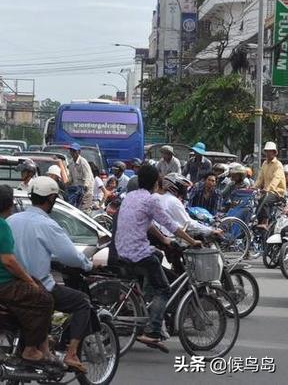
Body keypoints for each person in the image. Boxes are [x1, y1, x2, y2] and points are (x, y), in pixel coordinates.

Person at [8, 176, 92, 372]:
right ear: (52, 199)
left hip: (11, 285)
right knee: (82, 302)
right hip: (38, 286)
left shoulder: (11, 220)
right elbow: (70, 255)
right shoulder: (47, 224)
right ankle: (71, 354)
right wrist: (87, 265)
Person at [115, 164, 201, 350]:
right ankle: (153, 330)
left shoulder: (131, 196)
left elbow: (146, 223)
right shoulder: (152, 199)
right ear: (156, 182)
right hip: (138, 254)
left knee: (156, 255)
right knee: (163, 289)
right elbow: (171, 224)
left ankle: (147, 305)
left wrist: (164, 240)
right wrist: (192, 241)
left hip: (122, 250)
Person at [0, 185, 54, 363]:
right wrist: (28, 280)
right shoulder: (0, 225)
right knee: (44, 298)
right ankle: (31, 348)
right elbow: (8, 260)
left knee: (35, 288)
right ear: (8, 205)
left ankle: (41, 343)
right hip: (0, 284)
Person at [156, 173, 223, 275]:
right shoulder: (173, 201)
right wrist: (210, 230)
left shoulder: (159, 197)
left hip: (159, 237)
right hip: (168, 238)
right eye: (183, 187)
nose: (185, 191)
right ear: (175, 187)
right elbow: (188, 223)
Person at [254, 142, 286, 229]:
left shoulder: (278, 165)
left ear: (274, 152)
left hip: (277, 192)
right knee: (254, 201)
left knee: (264, 200)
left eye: (270, 151)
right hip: (266, 191)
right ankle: (257, 221)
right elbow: (260, 178)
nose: (268, 153)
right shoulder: (264, 163)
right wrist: (254, 187)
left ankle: (265, 222)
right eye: (267, 151)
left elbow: (276, 179)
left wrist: (268, 189)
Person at [67, 143, 94, 211]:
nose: (72, 153)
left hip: (86, 191)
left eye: (74, 151)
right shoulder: (70, 162)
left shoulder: (83, 162)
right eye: (71, 151)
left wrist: (86, 186)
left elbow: (88, 176)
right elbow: (71, 176)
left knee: (83, 210)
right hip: (76, 190)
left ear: (79, 152)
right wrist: (67, 183)